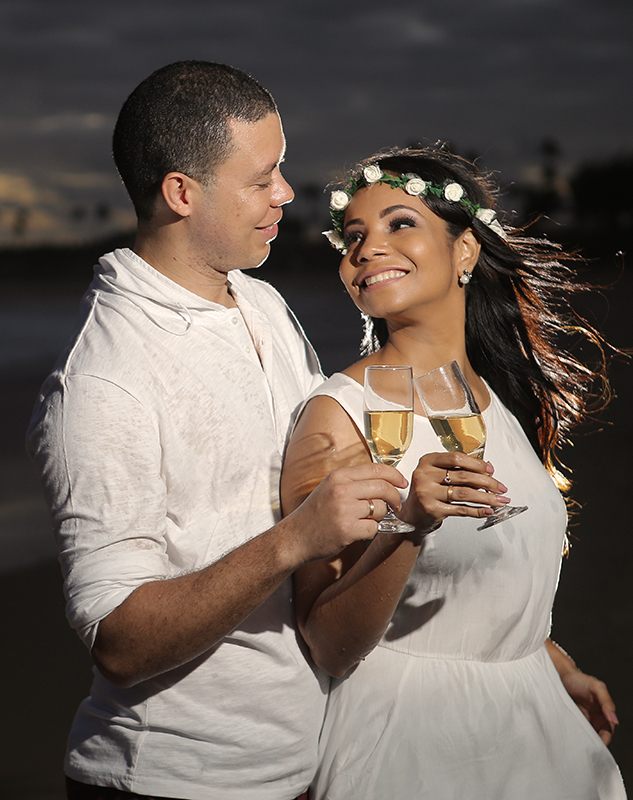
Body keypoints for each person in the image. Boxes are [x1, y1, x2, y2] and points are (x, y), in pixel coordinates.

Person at [26, 61, 406, 799]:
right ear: (180, 193)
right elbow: (121, 643)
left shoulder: (260, 302)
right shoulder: (104, 381)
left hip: (297, 761)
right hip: (169, 780)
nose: (286, 195)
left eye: (283, 169)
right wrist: (296, 537)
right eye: (262, 177)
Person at [281, 146, 626, 798]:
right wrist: (407, 527)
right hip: (409, 742)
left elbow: (485, 582)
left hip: (535, 731)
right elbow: (326, 644)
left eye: (397, 223)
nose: (365, 248)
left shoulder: (504, 401)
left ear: (465, 251)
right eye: (353, 236)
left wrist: (553, 666)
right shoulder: (338, 418)